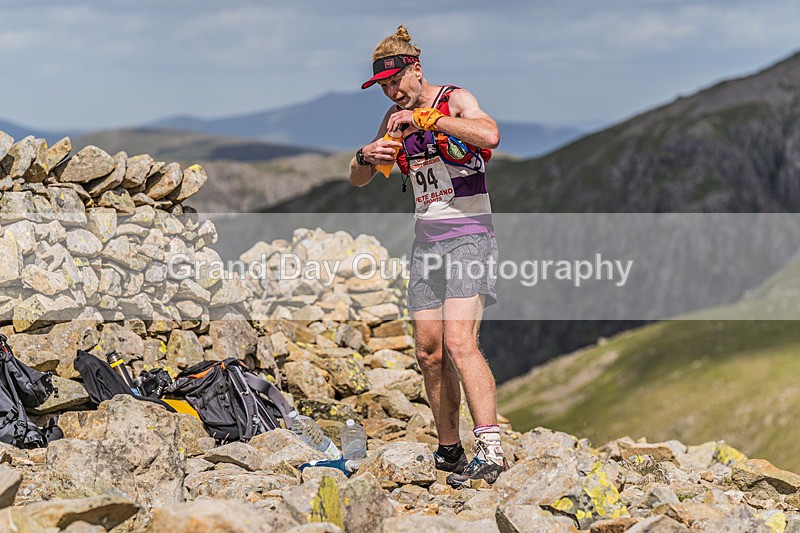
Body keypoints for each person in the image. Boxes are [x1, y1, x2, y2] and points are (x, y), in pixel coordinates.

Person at [349, 25, 507, 487]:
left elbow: (490, 134)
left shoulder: (454, 99)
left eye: (396, 80)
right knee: (429, 351)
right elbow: (359, 178)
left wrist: (431, 121)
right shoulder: (392, 118)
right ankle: (449, 449)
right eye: (383, 86)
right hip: (427, 245)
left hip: (470, 237)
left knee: (460, 342)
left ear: (416, 70)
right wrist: (365, 155)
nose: (392, 92)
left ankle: (490, 450)